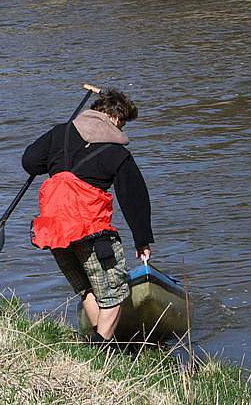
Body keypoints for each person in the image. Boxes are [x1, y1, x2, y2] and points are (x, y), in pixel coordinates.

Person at [22, 89, 153, 346]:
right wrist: (142, 240)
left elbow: (30, 162)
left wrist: (56, 153)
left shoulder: (61, 133)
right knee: (114, 295)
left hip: (55, 231)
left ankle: (99, 347)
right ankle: (101, 351)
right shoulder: (117, 153)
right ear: (115, 118)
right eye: (124, 123)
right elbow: (134, 197)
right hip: (91, 231)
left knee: (88, 290)